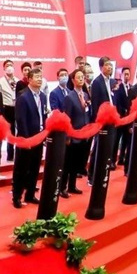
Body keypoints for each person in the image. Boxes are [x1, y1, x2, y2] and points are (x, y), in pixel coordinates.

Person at [12, 67, 48, 208]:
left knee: (34, 167)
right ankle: (17, 196)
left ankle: (30, 194)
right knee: (22, 169)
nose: (39, 79)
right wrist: (26, 140)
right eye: (36, 77)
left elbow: (43, 115)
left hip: (39, 137)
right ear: (30, 79)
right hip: (26, 139)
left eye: (41, 77)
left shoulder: (43, 96)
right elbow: (20, 120)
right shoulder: (23, 96)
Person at [60, 69, 90, 197]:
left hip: (84, 134)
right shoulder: (69, 97)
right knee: (68, 163)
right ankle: (62, 187)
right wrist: (67, 136)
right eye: (78, 77)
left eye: (82, 77)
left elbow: (87, 113)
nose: (81, 79)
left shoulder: (86, 95)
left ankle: (72, 186)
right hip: (73, 135)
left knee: (77, 162)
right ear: (73, 80)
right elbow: (67, 117)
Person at [113, 67, 133, 170]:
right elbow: (117, 103)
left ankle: (122, 158)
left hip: (129, 119)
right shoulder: (118, 89)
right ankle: (113, 160)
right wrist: (123, 111)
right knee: (116, 140)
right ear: (121, 76)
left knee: (126, 139)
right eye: (125, 74)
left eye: (128, 74)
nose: (126, 76)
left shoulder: (131, 88)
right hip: (120, 118)